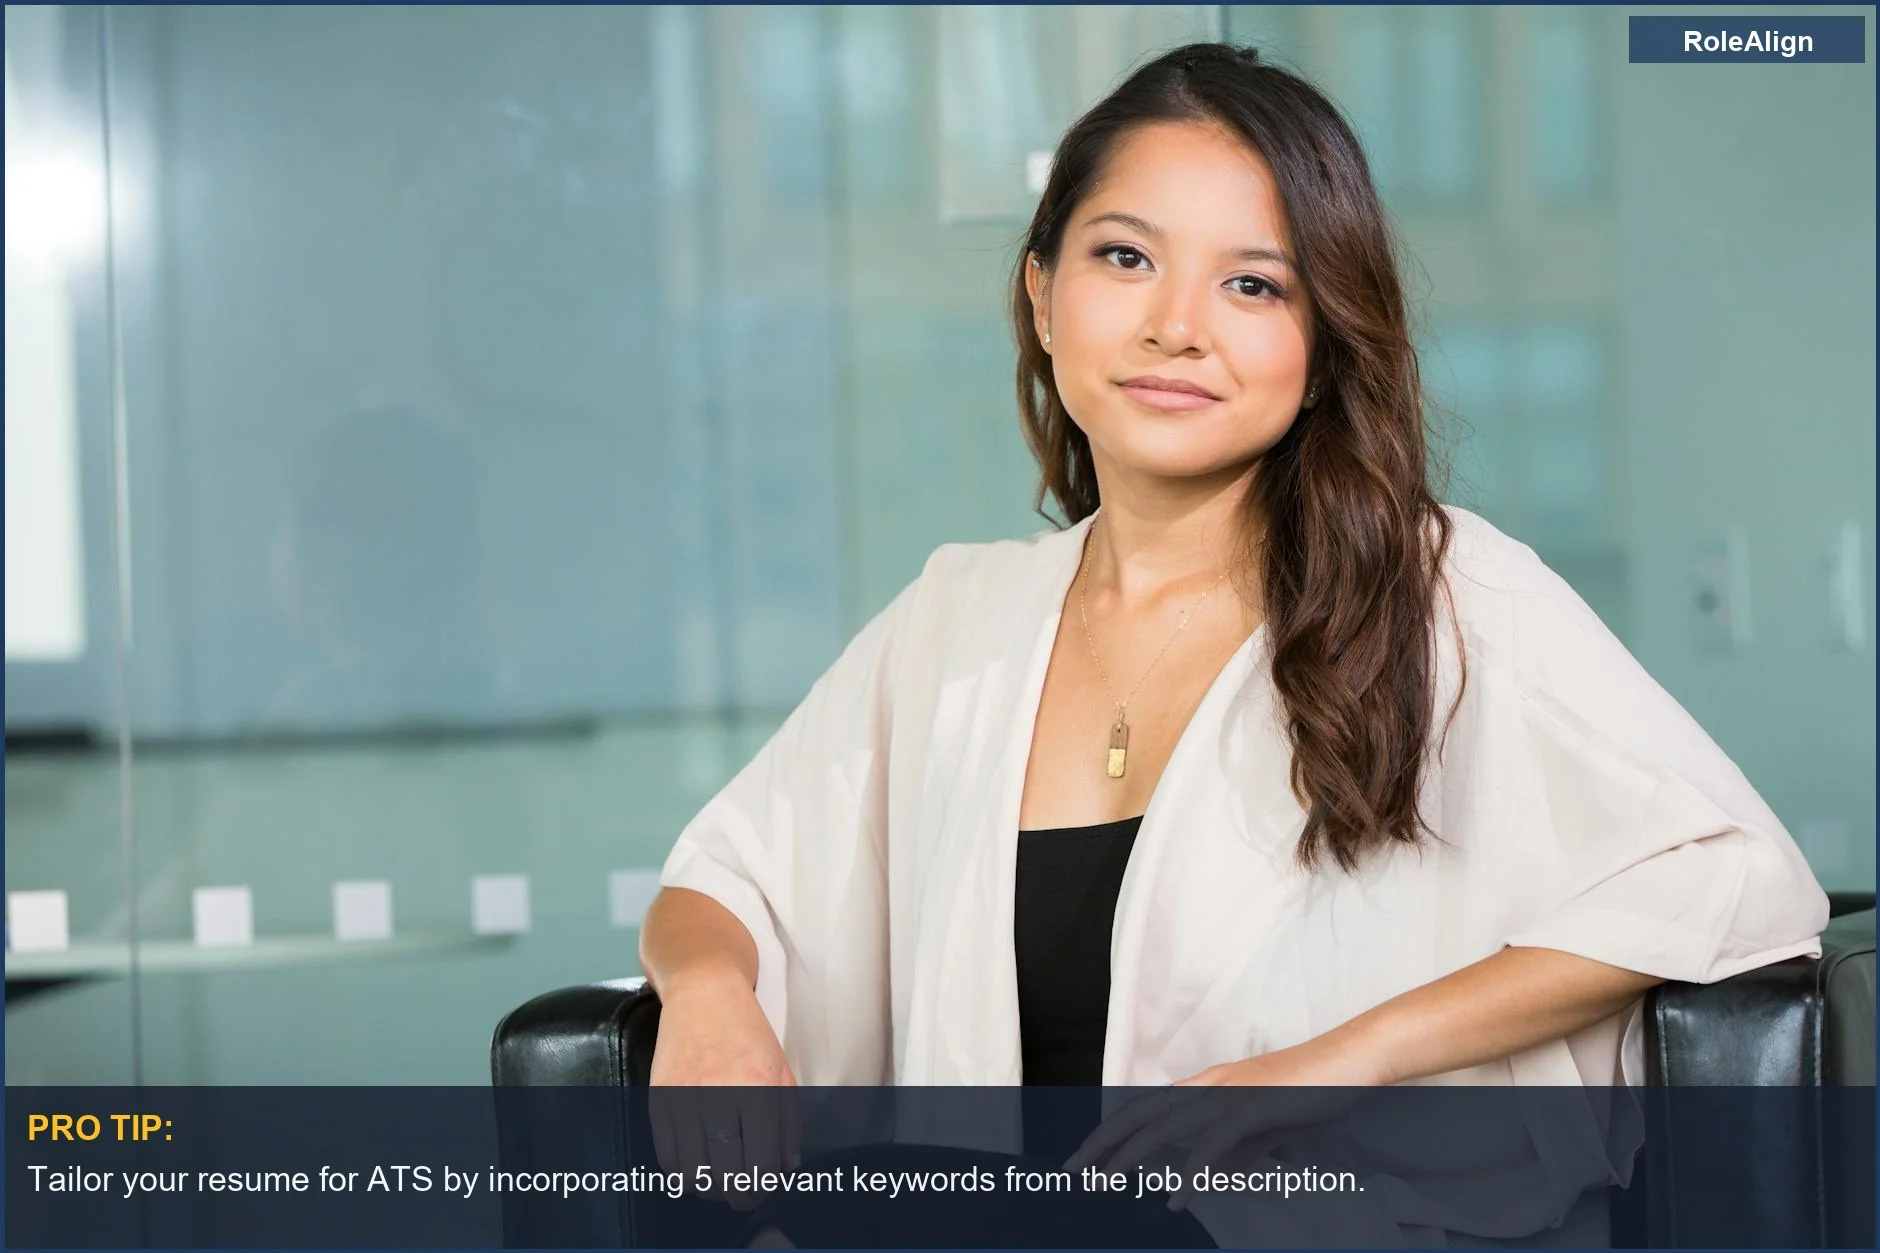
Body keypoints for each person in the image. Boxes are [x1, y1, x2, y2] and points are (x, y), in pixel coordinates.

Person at [635, 41, 1828, 1246]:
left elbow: (1728, 870)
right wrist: (708, 989)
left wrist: (1324, 1065)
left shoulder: (1438, 589)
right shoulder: (956, 619)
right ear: (1042, 292)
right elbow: (728, 876)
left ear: (1321, 346)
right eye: (1124, 257)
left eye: (1252, 285)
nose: (1175, 326)